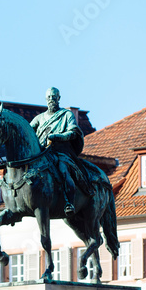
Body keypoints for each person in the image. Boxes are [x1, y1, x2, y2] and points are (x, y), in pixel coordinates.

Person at [30, 87, 92, 217]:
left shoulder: (66, 115)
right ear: (46, 99)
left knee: (63, 170)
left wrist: (59, 136)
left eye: (54, 97)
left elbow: (73, 132)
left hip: (61, 152)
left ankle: (69, 202)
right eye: (49, 97)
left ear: (59, 98)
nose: (51, 100)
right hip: (42, 153)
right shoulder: (39, 118)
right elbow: (28, 133)